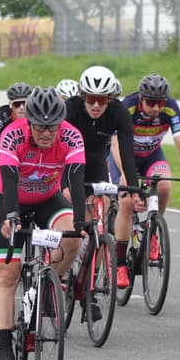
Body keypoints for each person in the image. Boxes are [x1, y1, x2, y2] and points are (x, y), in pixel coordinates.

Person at [0, 86, 85, 360]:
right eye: (40, 127)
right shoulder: (13, 134)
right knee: (8, 273)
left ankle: (47, 284)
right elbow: (8, 177)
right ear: (28, 121)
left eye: (52, 127)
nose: (46, 133)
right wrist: (10, 215)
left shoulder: (71, 136)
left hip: (47, 198)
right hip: (11, 198)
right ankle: (4, 347)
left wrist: (81, 221)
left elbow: (75, 179)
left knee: (73, 239)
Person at [112, 73, 180, 285]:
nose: (155, 108)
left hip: (152, 155)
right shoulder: (128, 106)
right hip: (126, 156)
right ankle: (120, 264)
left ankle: (153, 229)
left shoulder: (170, 107)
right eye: (151, 103)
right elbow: (115, 144)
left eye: (159, 103)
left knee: (164, 185)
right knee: (126, 202)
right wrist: (125, 172)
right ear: (141, 99)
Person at [63, 65, 140, 291]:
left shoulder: (119, 112)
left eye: (102, 100)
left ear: (111, 98)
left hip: (96, 160)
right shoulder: (70, 109)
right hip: (69, 160)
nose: (96, 105)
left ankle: (91, 269)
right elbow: (60, 149)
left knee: (101, 215)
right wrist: (63, 184)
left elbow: (126, 151)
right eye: (91, 99)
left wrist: (133, 188)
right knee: (72, 210)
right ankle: (64, 264)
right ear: (83, 96)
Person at [0, 82, 32, 258]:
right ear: (10, 104)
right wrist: (2, 158)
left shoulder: (35, 114)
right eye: (17, 104)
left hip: (22, 154)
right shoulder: (1, 113)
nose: (22, 107)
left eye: (25, 103)